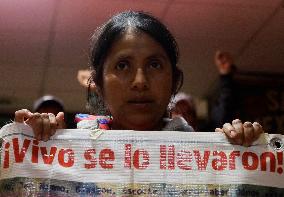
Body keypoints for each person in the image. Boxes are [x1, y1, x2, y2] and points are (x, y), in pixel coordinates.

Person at [14, 11, 263, 147]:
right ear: (98, 84)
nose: (140, 81)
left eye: (154, 65)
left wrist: (242, 149)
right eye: (123, 65)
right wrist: (40, 146)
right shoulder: (72, 145)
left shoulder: (204, 150)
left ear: (174, 81)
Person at [210, 50, 238, 129]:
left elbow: (224, 109)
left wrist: (225, 76)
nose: (182, 116)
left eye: (188, 113)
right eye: (178, 111)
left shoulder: (206, 131)